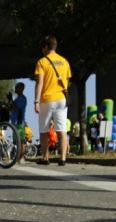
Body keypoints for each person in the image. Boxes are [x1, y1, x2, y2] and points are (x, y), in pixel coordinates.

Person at [34, 35, 71, 166]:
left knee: (44, 130)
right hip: (61, 99)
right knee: (62, 130)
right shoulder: (65, 61)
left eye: (42, 47)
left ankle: (45, 157)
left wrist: (36, 101)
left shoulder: (42, 62)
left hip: (47, 100)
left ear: (45, 47)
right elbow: (67, 81)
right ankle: (63, 158)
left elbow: (40, 83)